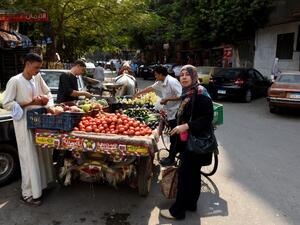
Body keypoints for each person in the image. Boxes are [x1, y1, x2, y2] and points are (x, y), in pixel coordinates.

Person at [160, 65, 214, 220]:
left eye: (187, 74)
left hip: (195, 142)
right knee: (194, 175)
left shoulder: (200, 92)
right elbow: (186, 113)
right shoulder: (189, 92)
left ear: (193, 76)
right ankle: (191, 204)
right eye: (181, 75)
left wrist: (186, 126)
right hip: (189, 141)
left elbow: (207, 117)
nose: (183, 77)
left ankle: (178, 211)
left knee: (185, 176)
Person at [3, 53, 55, 206]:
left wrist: (47, 103)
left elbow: (48, 93)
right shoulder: (15, 81)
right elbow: (7, 103)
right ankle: (28, 194)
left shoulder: (37, 77)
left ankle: (41, 186)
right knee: (28, 157)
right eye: (36, 67)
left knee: (41, 152)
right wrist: (30, 102)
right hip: (24, 123)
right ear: (27, 64)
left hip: (39, 121)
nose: (38, 70)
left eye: (39, 67)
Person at [134, 65, 182, 166]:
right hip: (168, 111)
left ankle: (171, 159)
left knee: (174, 137)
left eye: (156, 75)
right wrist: (139, 94)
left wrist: (167, 99)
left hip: (176, 112)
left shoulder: (172, 81)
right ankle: (174, 153)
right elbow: (150, 88)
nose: (155, 76)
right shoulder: (160, 82)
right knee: (170, 133)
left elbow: (180, 96)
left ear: (161, 74)